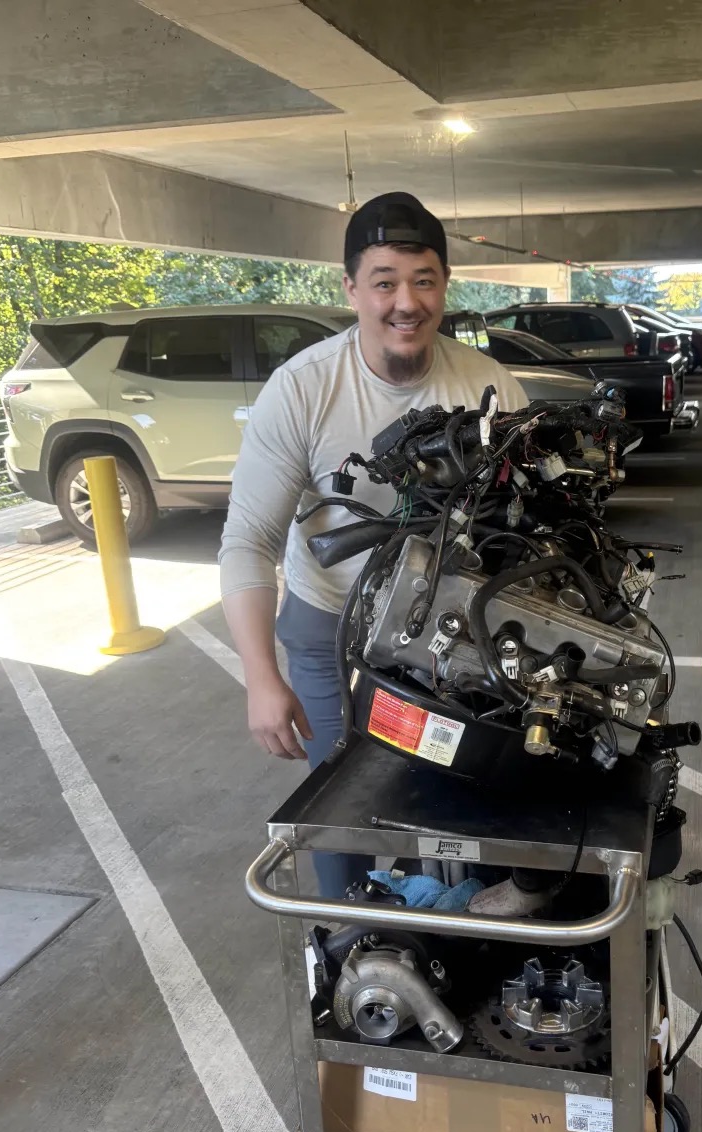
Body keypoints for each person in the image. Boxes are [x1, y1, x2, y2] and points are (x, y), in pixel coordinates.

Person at [219, 192, 527, 896]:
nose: (405, 302)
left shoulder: (490, 388)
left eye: (424, 280)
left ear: (445, 286)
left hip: (449, 631)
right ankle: (352, 953)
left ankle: (452, 943)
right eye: (385, 281)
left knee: (457, 796)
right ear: (351, 288)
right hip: (331, 628)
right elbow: (247, 541)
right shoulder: (302, 389)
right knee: (341, 813)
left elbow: (525, 525)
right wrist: (261, 679)